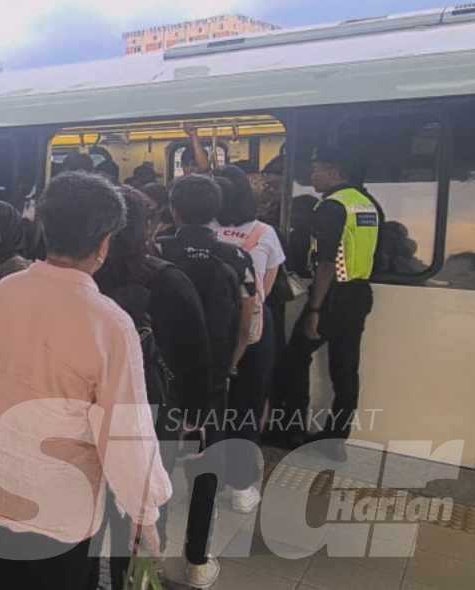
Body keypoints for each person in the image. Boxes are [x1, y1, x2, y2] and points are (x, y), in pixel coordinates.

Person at [0, 171, 171, 590]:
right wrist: (145, 513)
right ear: (105, 242)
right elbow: (124, 428)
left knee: (8, 576)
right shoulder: (107, 321)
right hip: (59, 501)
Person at [94, 185, 212, 590]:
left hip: (90, 418)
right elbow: (197, 358)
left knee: (89, 515)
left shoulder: (84, 281)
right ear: (144, 229)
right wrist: (195, 417)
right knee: (142, 520)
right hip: (151, 420)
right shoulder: (169, 281)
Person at [156, 174, 256, 588]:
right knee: (206, 468)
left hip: (161, 380)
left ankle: (149, 551)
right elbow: (247, 321)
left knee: (155, 468)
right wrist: (229, 365)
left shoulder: (155, 251)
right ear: (216, 211)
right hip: (213, 379)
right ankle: (196, 561)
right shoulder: (236, 257)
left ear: (173, 209)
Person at [277, 146, 382, 462]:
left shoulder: (332, 207)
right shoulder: (367, 204)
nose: (312, 175)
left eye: (317, 170)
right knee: (346, 368)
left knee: (293, 359)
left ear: (336, 173)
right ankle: (336, 439)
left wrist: (314, 309)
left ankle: (294, 431)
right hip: (359, 292)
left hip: (332, 295)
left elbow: (326, 263)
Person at [212, 165, 286, 513]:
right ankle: (241, 487)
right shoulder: (264, 232)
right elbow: (264, 289)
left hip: (208, 328)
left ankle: (204, 478)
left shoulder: (202, 230)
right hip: (252, 327)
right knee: (247, 404)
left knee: (209, 402)